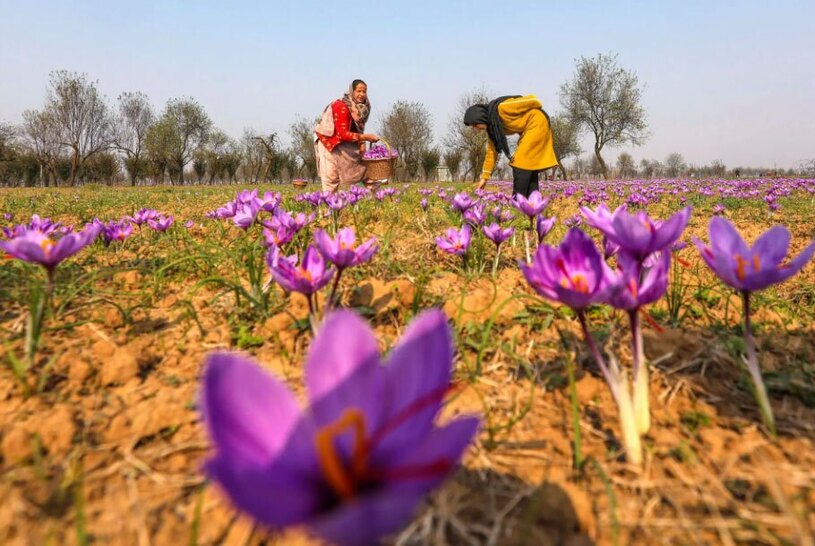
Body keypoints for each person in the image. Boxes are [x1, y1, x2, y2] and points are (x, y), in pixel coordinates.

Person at [463, 95, 558, 197]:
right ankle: (532, 199)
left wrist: (536, 106)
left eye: (474, 125)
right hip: (529, 130)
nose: (475, 129)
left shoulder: (502, 108)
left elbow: (533, 100)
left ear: (480, 116)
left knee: (520, 163)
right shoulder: (494, 128)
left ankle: (518, 199)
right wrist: (484, 178)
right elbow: (491, 153)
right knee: (529, 166)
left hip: (537, 123)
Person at [314, 80, 380, 193]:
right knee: (331, 177)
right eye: (358, 91)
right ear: (352, 91)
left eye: (364, 91)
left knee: (366, 169)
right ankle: (331, 207)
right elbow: (342, 134)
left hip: (344, 141)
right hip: (328, 141)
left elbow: (357, 129)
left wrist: (361, 143)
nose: (362, 94)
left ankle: (378, 199)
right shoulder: (342, 106)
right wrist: (365, 137)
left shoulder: (364, 107)